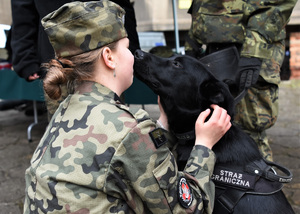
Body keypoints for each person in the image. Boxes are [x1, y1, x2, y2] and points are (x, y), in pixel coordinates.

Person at [23, 1, 232, 213]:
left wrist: (163, 125)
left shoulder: (67, 108)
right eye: (127, 48)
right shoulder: (131, 128)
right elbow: (189, 209)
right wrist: (204, 146)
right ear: (109, 57)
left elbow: (128, 156)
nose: (134, 55)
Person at [185, 0, 297, 161]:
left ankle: (261, 184)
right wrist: (192, 41)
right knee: (218, 126)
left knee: (251, 130)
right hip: (213, 52)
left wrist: (254, 50)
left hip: (250, 50)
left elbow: (276, 5)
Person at [10, 0, 140, 119]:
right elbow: (23, 12)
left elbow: (123, 7)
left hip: (105, 56)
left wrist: (132, 51)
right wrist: (25, 57)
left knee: (110, 119)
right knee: (63, 124)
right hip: (59, 59)